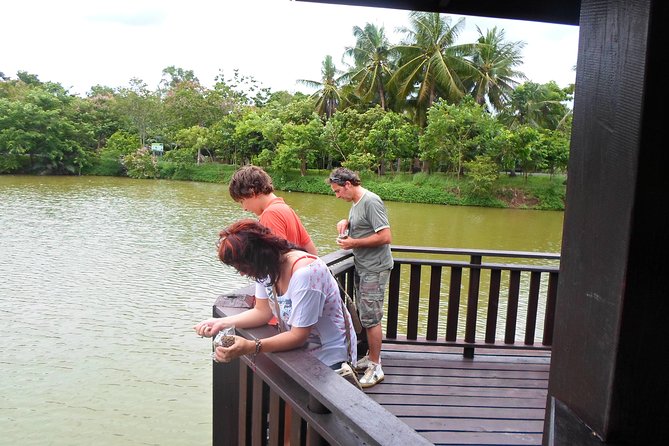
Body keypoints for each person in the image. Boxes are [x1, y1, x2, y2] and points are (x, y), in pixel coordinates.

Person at [193, 219, 357, 371]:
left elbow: (298, 336)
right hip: (302, 353)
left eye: (243, 267)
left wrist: (250, 346)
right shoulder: (266, 269)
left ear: (258, 256)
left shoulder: (306, 274)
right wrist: (220, 323)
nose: (243, 273)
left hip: (331, 355)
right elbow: (262, 312)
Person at [327, 167, 393, 388]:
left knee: (372, 319)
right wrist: (346, 224)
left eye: (337, 191)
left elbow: (385, 236)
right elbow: (365, 227)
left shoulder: (371, 201)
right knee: (366, 315)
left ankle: (376, 366)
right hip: (364, 267)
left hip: (375, 268)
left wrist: (353, 243)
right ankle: (372, 358)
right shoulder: (356, 204)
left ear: (348, 184)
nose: (337, 196)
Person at [228, 165, 317, 255]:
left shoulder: (270, 214)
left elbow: (277, 259)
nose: (244, 209)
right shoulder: (285, 208)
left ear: (252, 193)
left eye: (242, 201)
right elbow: (309, 247)